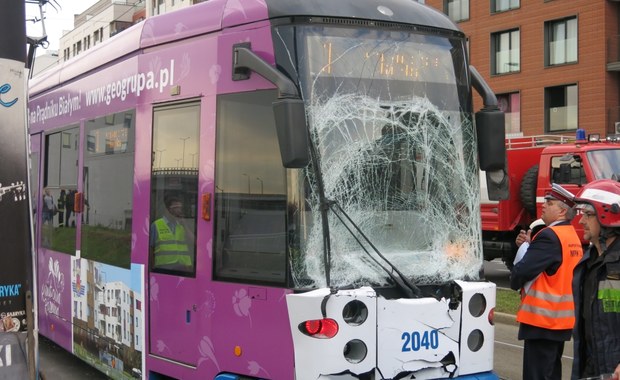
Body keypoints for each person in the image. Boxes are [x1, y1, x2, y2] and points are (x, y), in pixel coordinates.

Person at [510, 183, 583, 380]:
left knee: (537, 375)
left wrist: (516, 273)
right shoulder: (571, 236)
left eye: (549, 203)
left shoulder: (549, 236)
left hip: (542, 319)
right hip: (560, 320)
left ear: (561, 211)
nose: (543, 205)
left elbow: (523, 271)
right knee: (551, 374)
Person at [571, 179, 620, 379]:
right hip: (590, 366)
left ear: (606, 217)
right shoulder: (587, 263)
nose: (581, 221)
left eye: (588, 215)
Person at [150, 195, 194, 273]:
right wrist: (152, 267)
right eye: (176, 208)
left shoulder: (181, 225)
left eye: (180, 208)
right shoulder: (156, 225)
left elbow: (194, 242)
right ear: (168, 210)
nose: (179, 211)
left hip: (183, 267)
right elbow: (150, 248)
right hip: (164, 267)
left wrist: (185, 226)